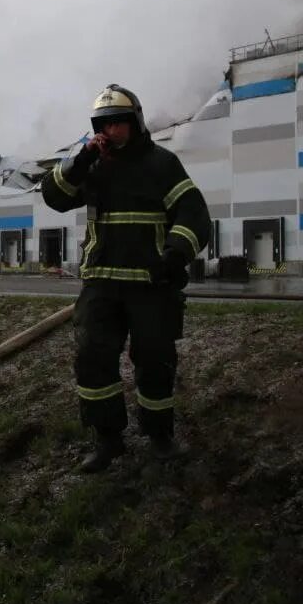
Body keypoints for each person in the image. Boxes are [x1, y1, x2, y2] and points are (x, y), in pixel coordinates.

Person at [42, 85, 211, 472]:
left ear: (134, 122)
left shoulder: (162, 164)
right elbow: (54, 195)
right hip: (101, 284)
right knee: (92, 359)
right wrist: (81, 159)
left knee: (154, 360)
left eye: (118, 122)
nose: (111, 130)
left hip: (152, 284)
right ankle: (107, 440)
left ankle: (160, 437)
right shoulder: (93, 167)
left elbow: (194, 214)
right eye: (103, 124)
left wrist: (175, 254)